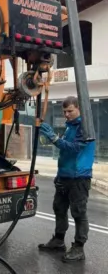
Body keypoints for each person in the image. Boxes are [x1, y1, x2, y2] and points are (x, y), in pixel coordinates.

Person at [38, 96, 95, 262]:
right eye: (64, 111)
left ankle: (79, 247)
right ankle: (58, 240)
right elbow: (64, 154)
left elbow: (75, 148)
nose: (66, 114)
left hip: (79, 178)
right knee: (59, 208)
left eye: (70, 111)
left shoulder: (85, 128)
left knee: (78, 212)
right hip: (65, 176)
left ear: (79, 108)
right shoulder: (70, 127)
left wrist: (55, 139)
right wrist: (59, 175)